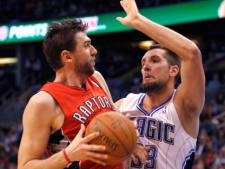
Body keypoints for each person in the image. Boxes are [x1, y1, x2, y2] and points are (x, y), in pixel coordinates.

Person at [18, 19, 125, 169]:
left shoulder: (96, 78)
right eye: (87, 45)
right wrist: (67, 156)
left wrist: (129, 143)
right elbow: (25, 166)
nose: (94, 50)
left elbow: (114, 118)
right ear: (67, 56)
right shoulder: (44, 102)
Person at [115, 0, 205, 168]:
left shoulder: (183, 106)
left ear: (174, 70)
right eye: (143, 63)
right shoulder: (123, 104)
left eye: (155, 61)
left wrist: (137, 20)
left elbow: (192, 54)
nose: (146, 67)